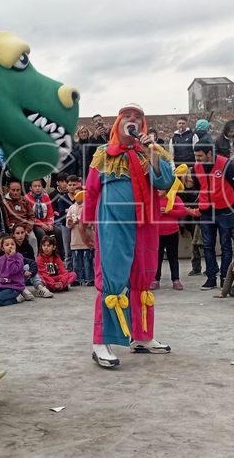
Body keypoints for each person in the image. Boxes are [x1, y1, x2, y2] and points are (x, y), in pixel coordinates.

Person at [83, 104, 176, 368]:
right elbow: (91, 191)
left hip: (145, 222)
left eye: (138, 118)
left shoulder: (152, 152)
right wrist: (86, 224)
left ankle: (142, 337)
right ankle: (101, 342)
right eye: (128, 117)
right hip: (113, 222)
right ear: (119, 123)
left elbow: (165, 183)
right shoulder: (102, 153)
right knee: (112, 280)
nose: (133, 121)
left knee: (143, 277)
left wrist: (151, 151)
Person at [190, 142, 234, 290]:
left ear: (209, 154)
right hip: (206, 211)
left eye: (200, 156)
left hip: (224, 210)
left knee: (226, 245)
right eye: (196, 156)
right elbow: (197, 187)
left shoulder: (226, 164)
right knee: (207, 246)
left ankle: (225, 277)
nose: (198, 159)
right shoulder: (196, 167)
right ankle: (211, 278)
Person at [154, 188, 186, 290]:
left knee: (173, 257)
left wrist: (169, 211)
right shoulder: (153, 200)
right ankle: (155, 279)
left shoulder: (174, 198)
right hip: (157, 234)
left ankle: (175, 279)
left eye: (160, 188)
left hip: (172, 233)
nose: (158, 190)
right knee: (157, 258)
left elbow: (183, 212)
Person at [66, 190, 95, 287]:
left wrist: (82, 221)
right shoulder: (71, 207)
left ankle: (89, 278)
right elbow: (68, 222)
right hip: (75, 240)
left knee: (87, 260)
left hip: (86, 239)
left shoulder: (88, 207)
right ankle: (77, 278)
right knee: (76, 260)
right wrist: (70, 222)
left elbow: (92, 222)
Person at [0, 233, 28, 306]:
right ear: (2, 248)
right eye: (7, 245)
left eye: (12, 244)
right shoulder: (1, 259)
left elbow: (13, 270)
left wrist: (11, 257)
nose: (10, 246)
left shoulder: (19, 257)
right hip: (3, 286)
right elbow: (1, 274)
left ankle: (17, 298)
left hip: (14, 287)